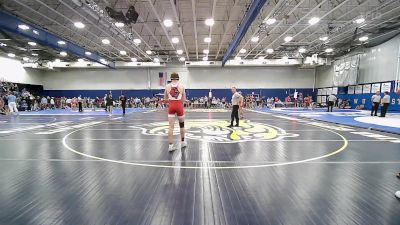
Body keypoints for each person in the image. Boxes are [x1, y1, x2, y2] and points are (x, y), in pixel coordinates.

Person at [164, 72, 187, 152]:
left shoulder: (167, 86)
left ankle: (170, 146)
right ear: (178, 78)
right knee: (182, 125)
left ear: (171, 78)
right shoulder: (181, 86)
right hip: (179, 106)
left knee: (171, 127)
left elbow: (165, 99)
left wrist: (171, 99)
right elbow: (184, 99)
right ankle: (183, 142)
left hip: (171, 106)